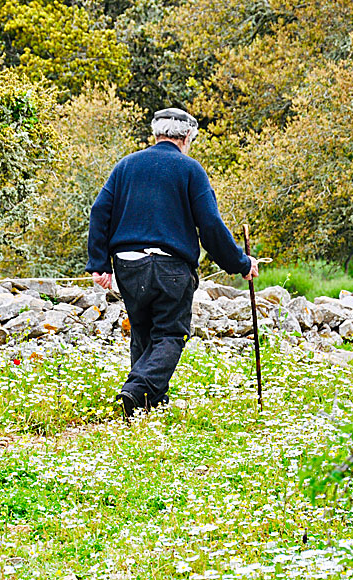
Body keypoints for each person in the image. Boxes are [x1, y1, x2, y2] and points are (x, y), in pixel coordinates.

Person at [86, 107, 259, 418]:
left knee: (143, 332)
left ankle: (149, 404)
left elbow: (100, 212)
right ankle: (137, 390)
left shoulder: (125, 166)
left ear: (155, 135)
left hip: (127, 265)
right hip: (169, 267)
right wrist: (241, 262)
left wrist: (100, 264)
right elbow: (210, 225)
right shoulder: (190, 170)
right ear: (188, 136)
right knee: (170, 333)